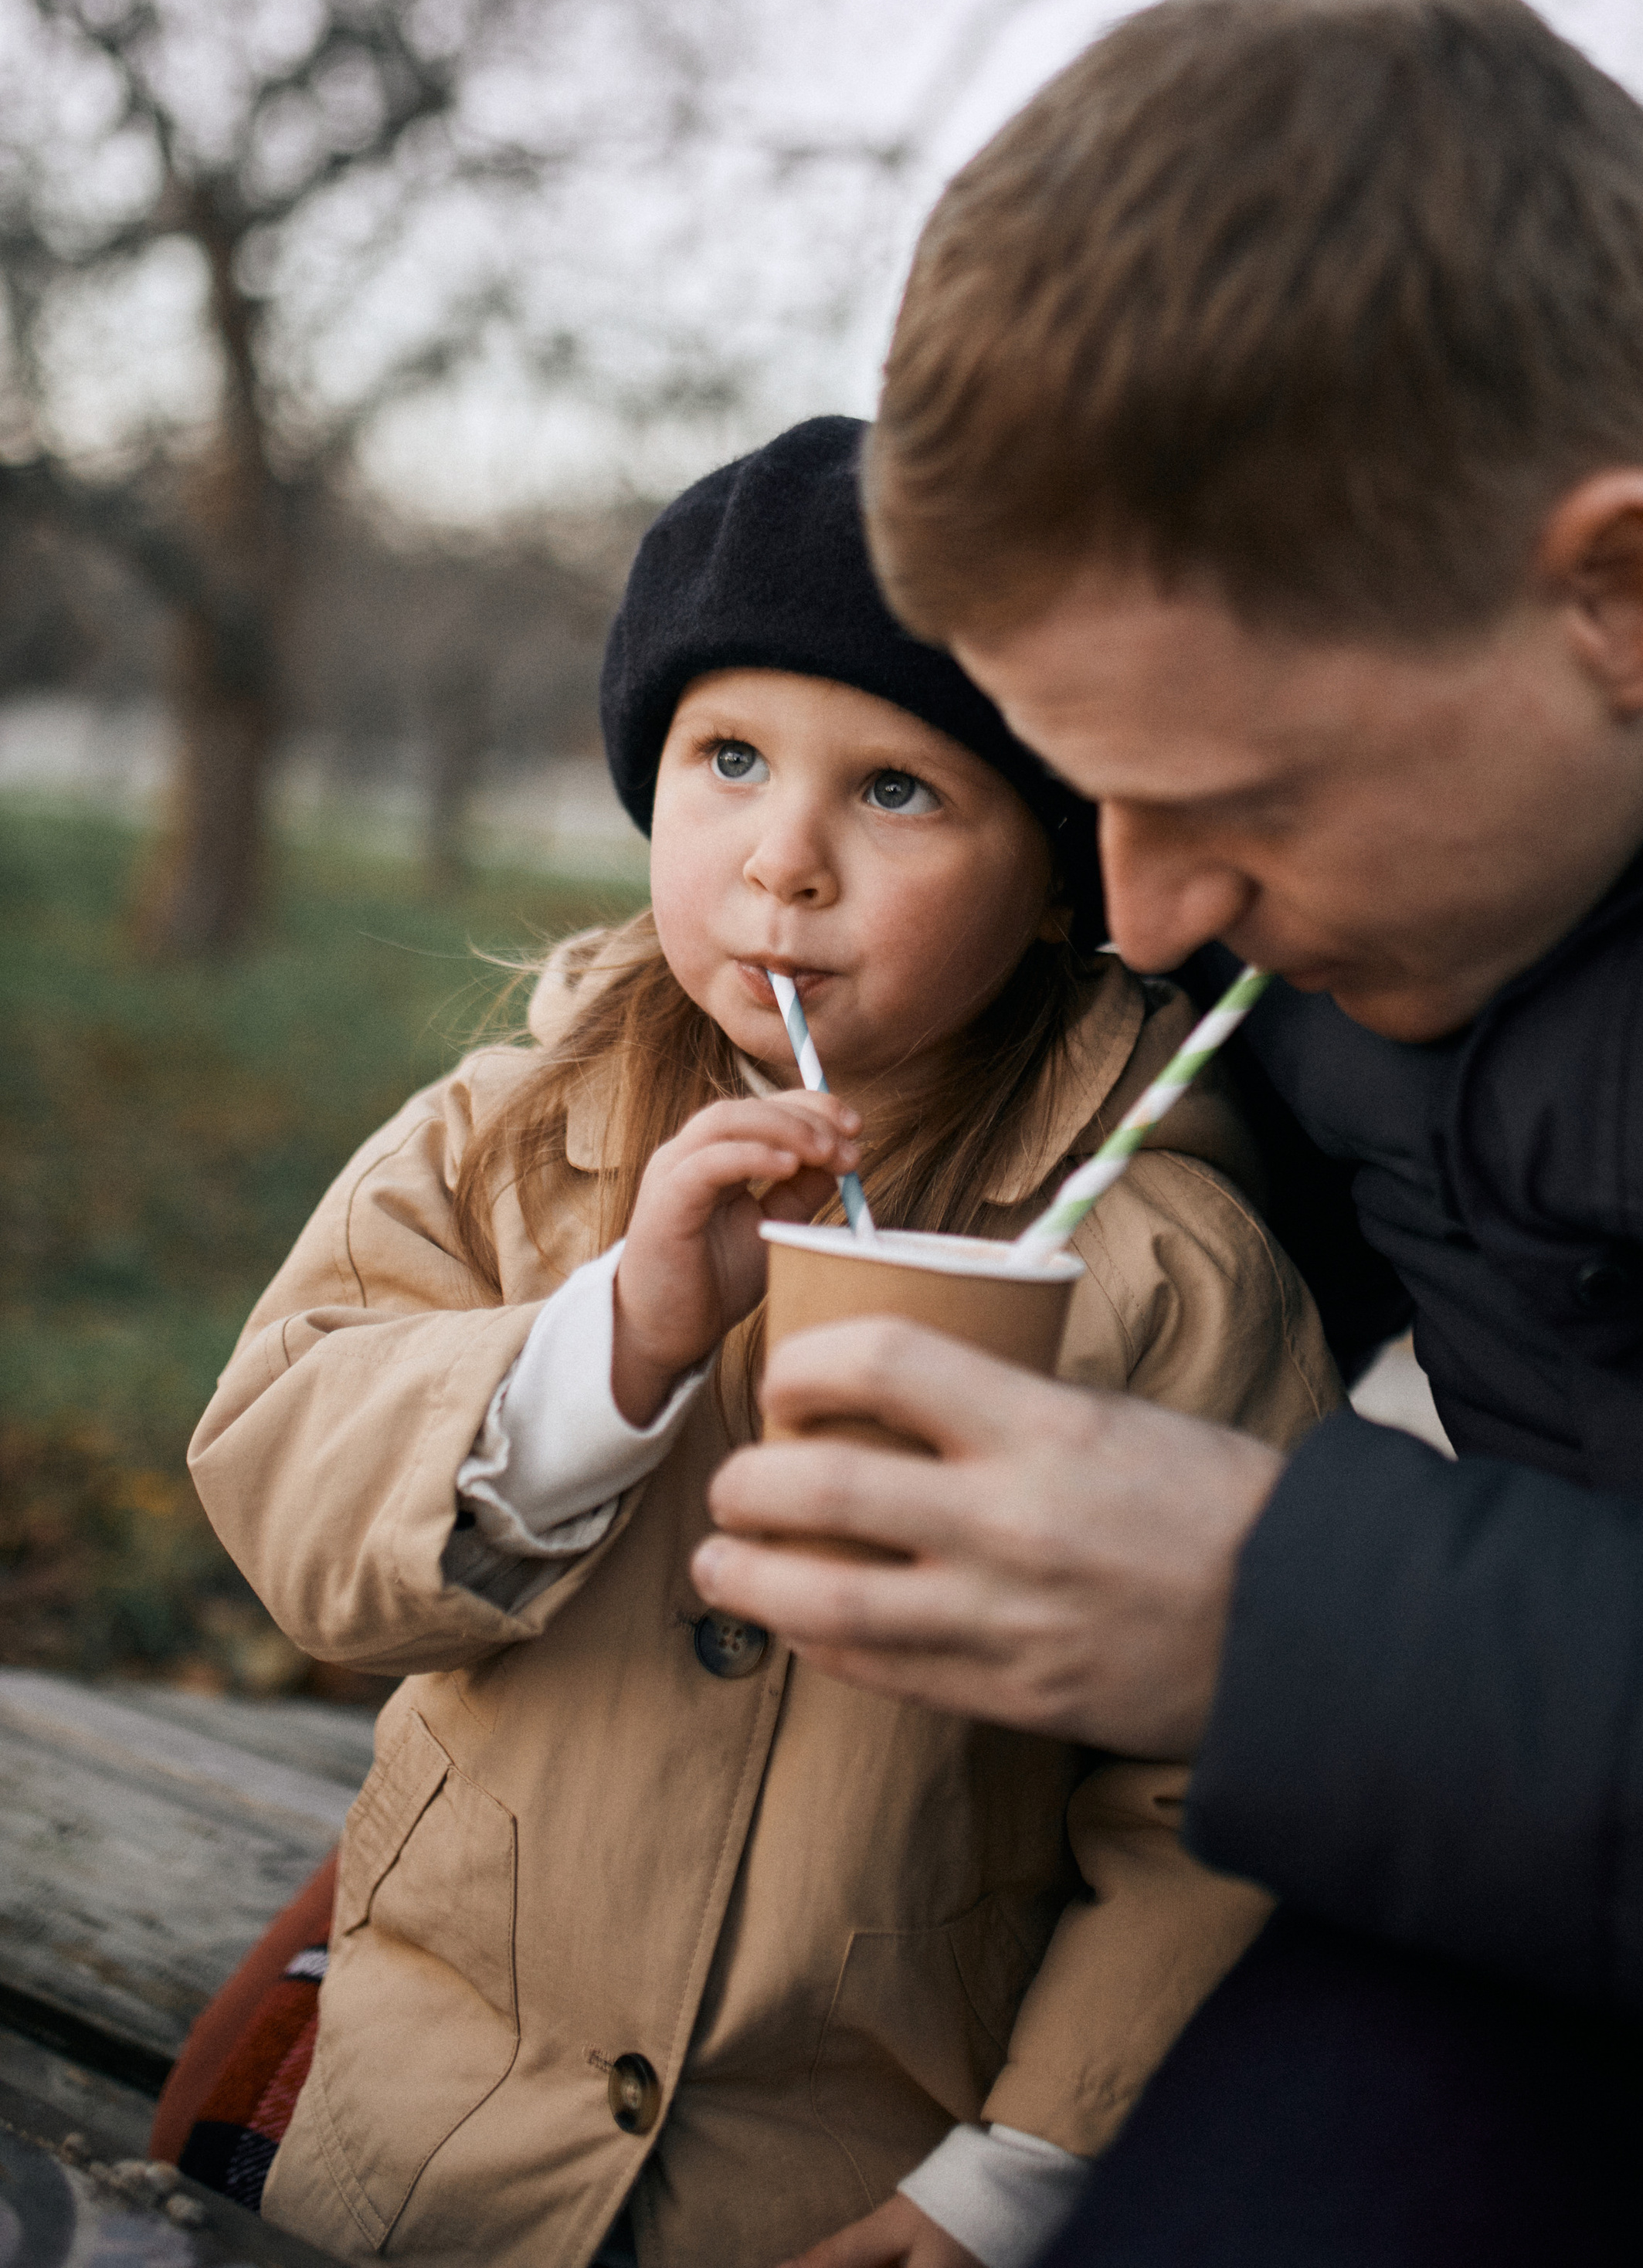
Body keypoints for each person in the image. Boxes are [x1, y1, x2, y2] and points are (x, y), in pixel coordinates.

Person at [689, 0, 1643, 2259]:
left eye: (1228, 806)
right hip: (1503, 1901)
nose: (1151, 914)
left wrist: (1299, 1626)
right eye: (1091, 790)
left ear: (1629, 598)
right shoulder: (1357, 727)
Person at [185, 416, 1338, 2268]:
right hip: (422, 2143)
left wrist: (1013, 2177)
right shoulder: (504, 1139)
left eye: (896, 791)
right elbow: (294, 1511)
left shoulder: (1159, 1271)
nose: (781, 861)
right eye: (728, 759)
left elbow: (1219, 1783)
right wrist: (612, 1345)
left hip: (834, 2186)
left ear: (1053, 876)